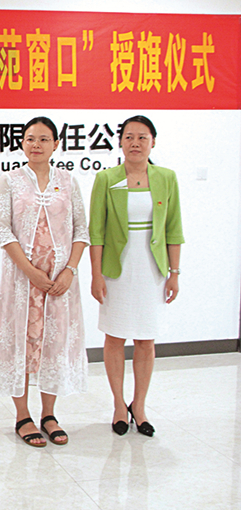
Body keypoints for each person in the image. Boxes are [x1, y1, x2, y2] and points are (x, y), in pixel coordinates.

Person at [0, 117, 89, 447]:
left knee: (52, 344)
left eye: (44, 139)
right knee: (22, 344)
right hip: (22, 281)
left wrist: (69, 270)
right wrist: (31, 272)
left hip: (59, 284)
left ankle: (49, 414)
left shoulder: (68, 181)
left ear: (56, 144)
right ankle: (23, 416)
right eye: (30, 138)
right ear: (22, 143)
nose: (36, 144)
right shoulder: (10, 180)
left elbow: (81, 230)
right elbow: (4, 230)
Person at [89, 115, 183, 437]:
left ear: (153, 142)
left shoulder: (166, 178)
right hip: (116, 269)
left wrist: (174, 273)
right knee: (115, 337)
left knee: (145, 339)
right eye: (129, 137)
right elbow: (96, 232)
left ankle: (138, 406)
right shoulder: (106, 179)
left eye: (143, 137)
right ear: (120, 142)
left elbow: (174, 229)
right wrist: (96, 275)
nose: (135, 143)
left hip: (152, 270)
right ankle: (119, 404)